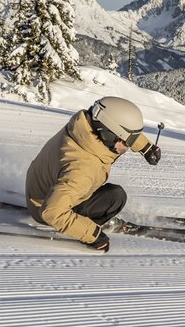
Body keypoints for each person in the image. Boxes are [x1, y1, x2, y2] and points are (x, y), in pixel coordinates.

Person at [26, 96, 162, 252]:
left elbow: (119, 127)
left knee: (108, 191)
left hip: (42, 187)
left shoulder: (84, 128)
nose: (128, 147)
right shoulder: (83, 169)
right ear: (109, 134)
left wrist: (146, 147)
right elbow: (51, 212)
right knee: (115, 197)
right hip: (46, 208)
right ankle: (85, 222)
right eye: (126, 142)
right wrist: (93, 235)